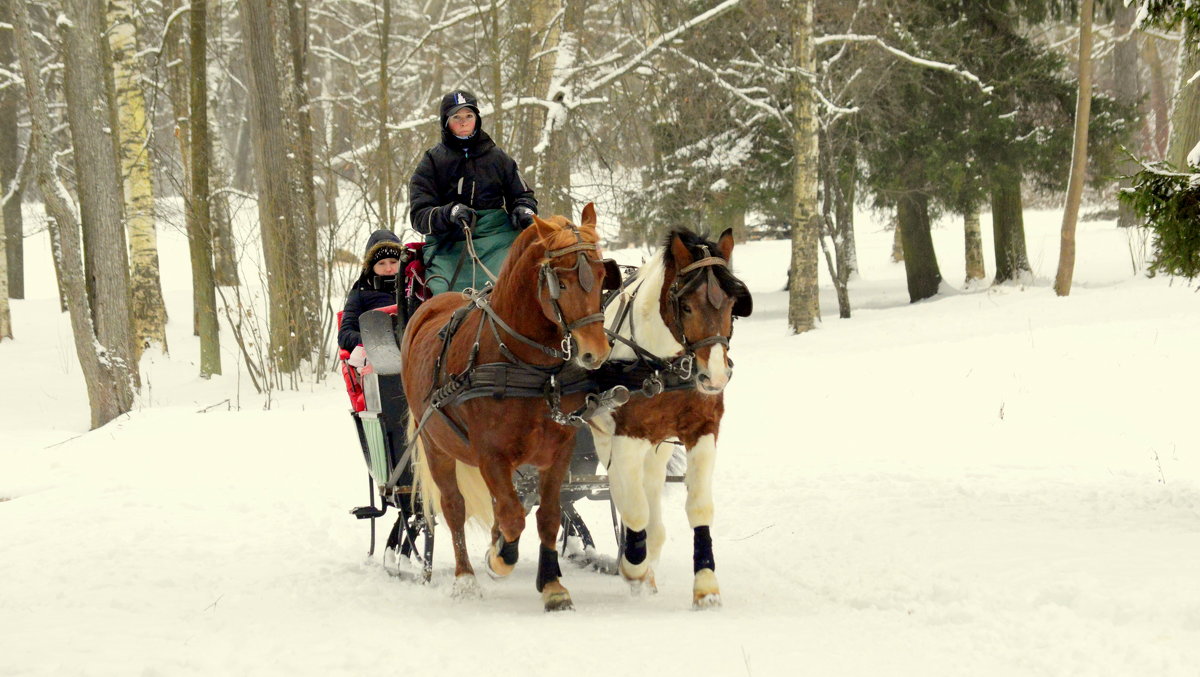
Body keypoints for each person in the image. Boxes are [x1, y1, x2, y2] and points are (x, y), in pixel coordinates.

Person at [409, 89, 538, 295]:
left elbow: (522, 195)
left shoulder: (498, 158)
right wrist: (449, 213)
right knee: (443, 293)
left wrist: (524, 209)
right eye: (456, 117)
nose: (463, 122)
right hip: (449, 244)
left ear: (477, 119)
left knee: (525, 280)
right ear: (446, 122)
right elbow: (419, 215)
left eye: (469, 116)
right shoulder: (431, 162)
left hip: (497, 238)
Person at [339, 229, 404, 368]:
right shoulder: (360, 292)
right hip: (378, 358)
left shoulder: (414, 288)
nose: (388, 269)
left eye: (393, 262)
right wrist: (372, 340)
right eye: (381, 263)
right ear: (371, 266)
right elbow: (344, 335)